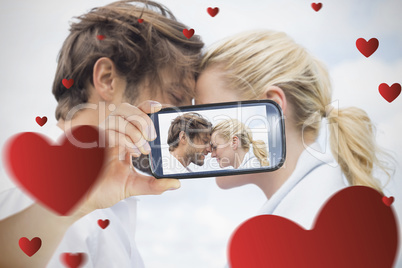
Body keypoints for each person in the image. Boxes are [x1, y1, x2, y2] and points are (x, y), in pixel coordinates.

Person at [0, 1, 203, 267]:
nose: (186, 117)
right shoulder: (31, 196)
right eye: (176, 96)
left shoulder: (107, 202)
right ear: (107, 79)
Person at [195, 30, 392, 233]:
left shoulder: (306, 226)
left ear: (271, 105)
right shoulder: (322, 209)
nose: (206, 141)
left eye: (208, 111)